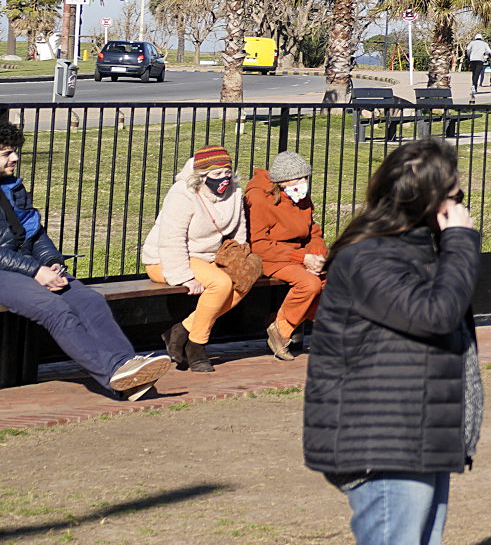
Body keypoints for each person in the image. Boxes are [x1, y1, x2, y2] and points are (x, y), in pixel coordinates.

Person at [303, 136, 481, 545]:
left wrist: (447, 246)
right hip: (380, 440)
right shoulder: (367, 258)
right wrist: (460, 241)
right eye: (454, 195)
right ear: (427, 199)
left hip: (420, 435)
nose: (462, 204)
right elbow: (436, 315)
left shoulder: (411, 253)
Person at [0, 124, 173, 399]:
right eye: (7, 153)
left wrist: (51, 261)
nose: (15, 159)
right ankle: (114, 372)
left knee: (90, 301)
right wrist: (36, 271)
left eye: (14, 152)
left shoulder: (13, 187)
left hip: (25, 266)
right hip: (5, 271)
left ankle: (127, 370)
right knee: (54, 309)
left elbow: (33, 231)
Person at [142, 146, 250, 371]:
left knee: (244, 279)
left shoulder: (234, 193)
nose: (224, 178)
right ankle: (197, 346)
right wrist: (183, 276)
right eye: (216, 173)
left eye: (227, 172)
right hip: (165, 259)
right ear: (201, 175)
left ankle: (182, 329)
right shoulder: (183, 194)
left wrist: (238, 258)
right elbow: (172, 239)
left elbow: (239, 230)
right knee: (220, 284)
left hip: (206, 257)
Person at [246, 151, 327, 360]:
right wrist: (302, 259)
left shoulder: (300, 197)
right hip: (273, 257)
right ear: (282, 181)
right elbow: (260, 245)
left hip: (299, 254)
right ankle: (281, 330)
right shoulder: (260, 199)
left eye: (305, 178)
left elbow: (313, 231)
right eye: (298, 178)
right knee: (310, 285)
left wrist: (316, 254)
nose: (303, 182)